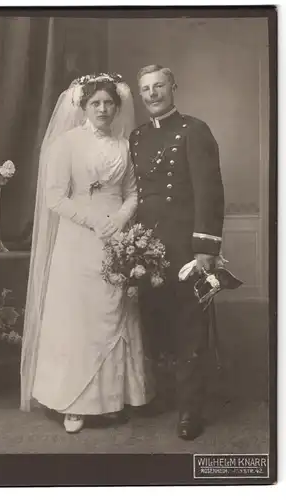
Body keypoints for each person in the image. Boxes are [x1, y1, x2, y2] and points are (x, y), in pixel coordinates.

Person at [20, 73, 154, 433]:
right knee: (78, 316)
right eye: (96, 102)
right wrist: (95, 221)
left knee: (116, 310)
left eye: (109, 102)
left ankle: (112, 399)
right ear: (83, 106)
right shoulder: (66, 144)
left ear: (117, 106)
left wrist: (121, 218)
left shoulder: (125, 146)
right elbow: (55, 197)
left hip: (117, 236)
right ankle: (74, 403)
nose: (103, 108)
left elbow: (132, 192)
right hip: (79, 239)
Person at [129, 64, 224, 440]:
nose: (153, 94)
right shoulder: (136, 138)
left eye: (159, 86)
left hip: (185, 246)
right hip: (148, 248)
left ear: (173, 87)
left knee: (189, 327)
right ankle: (166, 396)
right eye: (146, 89)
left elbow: (210, 192)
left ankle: (190, 409)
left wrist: (205, 248)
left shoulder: (194, 130)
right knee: (157, 323)